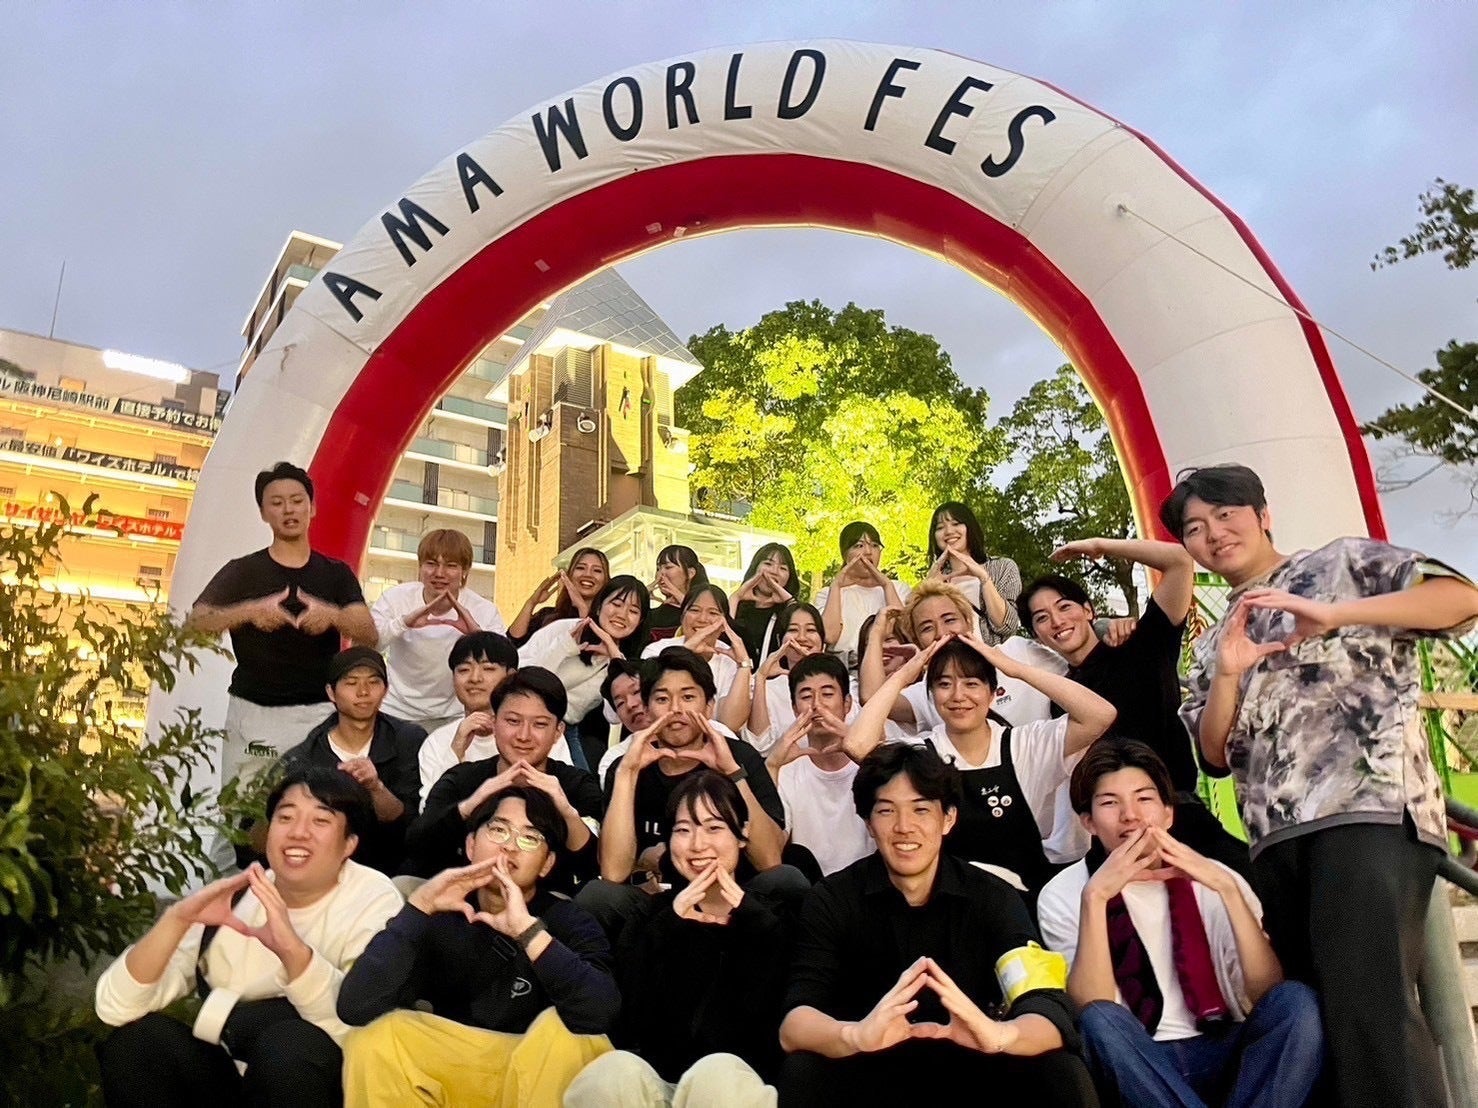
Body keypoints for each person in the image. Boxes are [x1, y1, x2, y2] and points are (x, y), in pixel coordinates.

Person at [1164, 463, 1478, 1108]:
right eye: (1194, 528)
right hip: (1275, 836)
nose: (1213, 533)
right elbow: (1214, 754)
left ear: (1263, 514)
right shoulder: (1210, 641)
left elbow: (1461, 598)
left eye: (1225, 514)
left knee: (1369, 1005)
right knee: (1316, 1015)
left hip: (1366, 811)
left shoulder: (1339, 563)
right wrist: (1227, 673)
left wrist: (1334, 614)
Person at [777, 743, 1097, 1105]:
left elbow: (1047, 1007)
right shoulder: (832, 899)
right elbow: (794, 1023)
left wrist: (997, 1035)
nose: (904, 827)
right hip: (869, 1066)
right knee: (801, 1070)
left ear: (948, 818)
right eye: (886, 811)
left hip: (972, 1064)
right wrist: (856, 1035)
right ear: (868, 823)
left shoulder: (993, 897)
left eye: (921, 809)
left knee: (1061, 1069)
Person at [1038, 738, 1323, 1108]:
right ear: (1088, 822)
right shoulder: (1065, 893)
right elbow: (1090, 1008)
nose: (1130, 815)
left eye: (1144, 798)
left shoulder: (1215, 876)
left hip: (1227, 1044)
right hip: (1140, 1059)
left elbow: (1265, 990)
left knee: (1295, 1001)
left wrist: (1227, 890)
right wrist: (1095, 900)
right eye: (1109, 803)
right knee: (1100, 1020)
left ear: (1168, 814)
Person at [95, 767, 403, 1108]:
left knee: (292, 1044)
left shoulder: (374, 899)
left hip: (319, 1081)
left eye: (320, 821)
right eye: (285, 817)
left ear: (349, 843)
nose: (298, 832)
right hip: (230, 1073)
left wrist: (293, 952)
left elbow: (362, 1031)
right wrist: (177, 919)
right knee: (140, 1042)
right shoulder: (238, 895)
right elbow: (116, 1008)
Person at [338, 787, 618, 1107]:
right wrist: (417, 908)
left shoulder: (569, 920)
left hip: (538, 1074)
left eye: (529, 838)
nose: (510, 846)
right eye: (498, 830)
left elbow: (599, 1014)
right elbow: (355, 1007)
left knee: (567, 1031)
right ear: (471, 845)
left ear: (546, 863)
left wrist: (529, 933)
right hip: (462, 1067)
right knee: (373, 1037)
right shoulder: (438, 915)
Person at [566, 772, 792, 1107]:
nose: (698, 844)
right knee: (611, 1072)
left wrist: (753, 921)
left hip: (733, 1086)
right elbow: (626, 1019)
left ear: (742, 834)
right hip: (657, 1083)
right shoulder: (651, 917)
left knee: (717, 1075)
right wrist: (670, 927)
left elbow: (773, 1025)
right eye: (683, 830)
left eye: (714, 828)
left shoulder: (774, 918)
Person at [848, 634, 1117, 898]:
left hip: (1020, 905)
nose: (958, 695)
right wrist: (903, 676)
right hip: (944, 904)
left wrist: (1016, 669)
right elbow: (857, 745)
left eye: (972, 683)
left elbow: (1100, 715)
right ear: (931, 694)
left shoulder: (1024, 745)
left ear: (992, 693)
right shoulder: (921, 754)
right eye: (944, 684)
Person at [188, 462, 377, 801]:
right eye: (276, 502)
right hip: (254, 713)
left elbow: (368, 633)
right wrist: (249, 612)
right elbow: (194, 625)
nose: (288, 509)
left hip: (319, 712)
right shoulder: (243, 571)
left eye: (297, 500)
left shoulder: (335, 573)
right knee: (243, 810)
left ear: (312, 507)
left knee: (320, 805)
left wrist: (331, 615)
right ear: (263, 513)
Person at [580, 648, 799, 939]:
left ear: (708, 706)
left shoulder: (740, 756)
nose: (676, 710)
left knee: (787, 880)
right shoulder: (626, 766)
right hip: (659, 904)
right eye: (662, 699)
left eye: (687, 697)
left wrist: (733, 772)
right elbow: (613, 872)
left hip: (735, 897)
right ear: (647, 709)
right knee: (598, 897)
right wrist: (627, 774)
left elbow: (770, 859)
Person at [405, 667, 604, 889]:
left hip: (550, 901)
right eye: (513, 721)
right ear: (494, 723)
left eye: (539, 724)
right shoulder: (461, 778)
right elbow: (416, 846)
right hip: (463, 897)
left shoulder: (577, 785)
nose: (523, 735)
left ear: (558, 731)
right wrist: (470, 804)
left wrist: (566, 812)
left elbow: (593, 867)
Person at [279, 647, 427, 876]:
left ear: (386, 690)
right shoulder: (303, 757)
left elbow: (414, 826)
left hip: (395, 870)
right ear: (331, 692)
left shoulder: (410, 740)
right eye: (351, 683)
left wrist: (375, 787)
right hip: (324, 872)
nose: (363, 692)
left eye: (373, 682)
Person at [370, 528, 505, 731]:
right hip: (395, 710)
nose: (439, 573)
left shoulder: (484, 609)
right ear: (420, 566)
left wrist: (475, 634)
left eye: (451, 566)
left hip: (455, 715)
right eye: (431, 564)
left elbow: (505, 663)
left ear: (465, 571)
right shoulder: (395, 598)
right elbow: (368, 644)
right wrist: (403, 623)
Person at [765, 653, 875, 877]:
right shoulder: (785, 771)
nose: (817, 705)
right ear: (794, 708)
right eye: (806, 696)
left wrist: (867, 756)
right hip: (812, 888)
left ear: (847, 704)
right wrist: (772, 766)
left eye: (827, 694)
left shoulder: (873, 764)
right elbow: (769, 855)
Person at [518, 574, 650, 733]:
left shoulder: (628, 660)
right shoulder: (566, 629)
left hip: (564, 730)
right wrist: (563, 647)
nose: (622, 615)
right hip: (521, 711)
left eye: (633, 611)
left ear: (640, 621)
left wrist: (615, 661)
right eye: (616, 604)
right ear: (599, 606)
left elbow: (614, 718)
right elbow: (520, 672)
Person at [416, 630, 523, 803]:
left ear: (511, 676)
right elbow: (429, 810)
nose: (474, 678)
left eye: (488, 668)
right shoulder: (437, 741)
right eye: (464, 669)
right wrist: (456, 750)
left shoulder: (534, 732)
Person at [643, 583, 754, 732]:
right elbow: (648, 707)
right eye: (694, 610)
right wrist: (686, 652)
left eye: (713, 613)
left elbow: (730, 724)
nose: (702, 619)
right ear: (682, 617)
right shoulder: (656, 651)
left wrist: (743, 665)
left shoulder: (730, 660)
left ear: (724, 624)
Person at [814, 521, 911, 671]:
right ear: (845, 554)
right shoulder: (827, 594)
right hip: (845, 670)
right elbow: (829, 636)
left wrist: (886, 585)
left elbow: (905, 631)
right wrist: (836, 586)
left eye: (875, 545)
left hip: (890, 666)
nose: (868, 552)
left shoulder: (898, 588)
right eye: (859, 546)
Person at [924, 500, 1022, 644]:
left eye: (956, 523)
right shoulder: (935, 578)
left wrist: (984, 579)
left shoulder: (1002, 567)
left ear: (970, 527)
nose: (949, 531)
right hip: (952, 656)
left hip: (994, 655)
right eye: (940, 527)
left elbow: (1007, 626)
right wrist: (928, 588)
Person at [746, 601, 827, 753]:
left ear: (823, 642)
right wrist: (760, 677)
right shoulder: (767, 687)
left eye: (810, 630)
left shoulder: (845, 684)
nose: (801, 637)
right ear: (780, 640)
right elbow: (759, 745)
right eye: (793, 630)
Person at [507, 546, 610, 646]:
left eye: (597, 570)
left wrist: (582, 608)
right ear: (570, 575)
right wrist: (531, 603)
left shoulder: (607, 622)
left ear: (606, 579)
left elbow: (588, 649)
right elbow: (513, 643)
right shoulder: (548, 616)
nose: (588, 574)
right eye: (580, 568)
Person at [729, 542, 800, 663]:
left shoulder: (788, 614)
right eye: (768, 564)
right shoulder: (736, 607)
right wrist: (736, 597)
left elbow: (800, 633)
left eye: (783, 568)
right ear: (755, 568)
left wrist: (788, 600)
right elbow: (723, 635)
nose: (774, 571)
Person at [594, 657, 654, 779]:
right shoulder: (613, 760)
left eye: (636, 691)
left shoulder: (689, 736)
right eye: (620, 703)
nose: (630, 705)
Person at [649, 543, 708, 640]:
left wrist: (684, 601)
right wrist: (640, 598)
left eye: (668, 567)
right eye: (658, 569)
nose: (661, 574)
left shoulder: (707, 613)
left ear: (690, 573)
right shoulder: (650, 615)